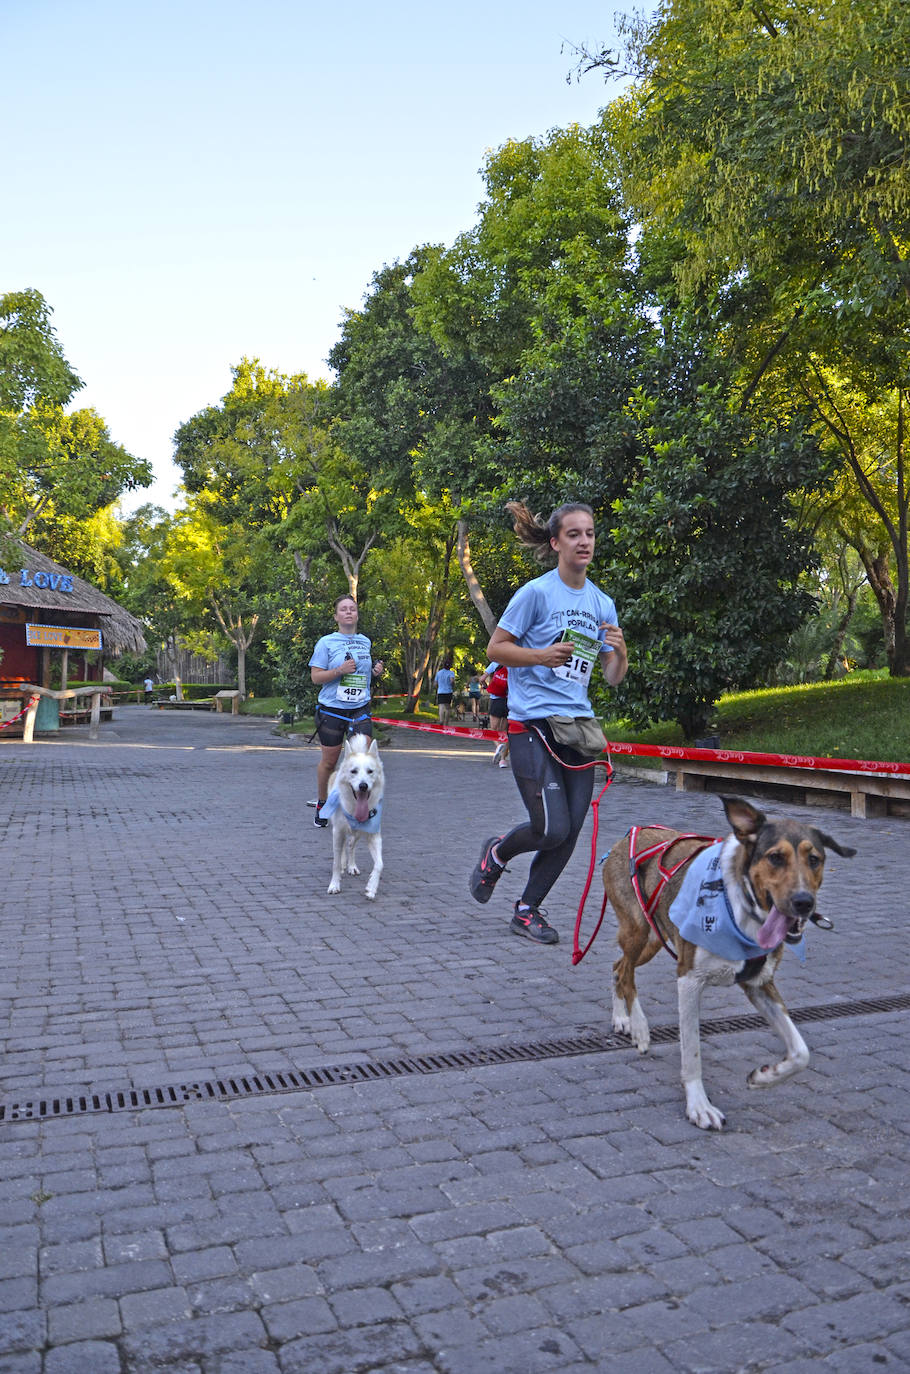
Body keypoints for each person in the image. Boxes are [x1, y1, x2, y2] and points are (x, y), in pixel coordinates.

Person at [468, 500, 628, 945]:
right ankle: (497, 854)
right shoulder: (535, 593)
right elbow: (495, 649)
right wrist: (541, 655)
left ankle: (527, 910)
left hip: (576, 726)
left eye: (590, 534)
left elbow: (613, 677)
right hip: (532, 726)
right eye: (574, 534)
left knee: (570, 830)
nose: (584, 542)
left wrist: (620, 649)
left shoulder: (601, 602)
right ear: (556, 542)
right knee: (550, 827)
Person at [309, 594, 384, 827]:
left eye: (352, 608)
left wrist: (374, 672)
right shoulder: (326, 643)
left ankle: (361, 808)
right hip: (332, 710)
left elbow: (362, 675)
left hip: (359, 710)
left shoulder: (365, 641)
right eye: (343, 609)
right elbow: (315, 677)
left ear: (357, 614)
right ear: (336, 616)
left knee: (361, 761)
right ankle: (323, 802)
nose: (349, 612)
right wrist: (339, 670)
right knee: (329, 763)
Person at [482, 662, 510, 766]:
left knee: (494, 729)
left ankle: (498, 746)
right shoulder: (515, 662)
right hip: (509, 701)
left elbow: (481, 679)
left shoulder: (495, 663)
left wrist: (486, 687)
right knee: (505, 731)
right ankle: (503, 760)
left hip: (496, 700)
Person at [434, 659, 456, 727]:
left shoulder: (439, 673)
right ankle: (446, 723)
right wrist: (452, 686)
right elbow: (452, 681)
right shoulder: (451, 673)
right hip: (448, 691)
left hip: (440, 691)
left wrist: (437, 688)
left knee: (441, 707)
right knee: (447, 708)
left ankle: (441, 720)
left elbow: (435, 683)